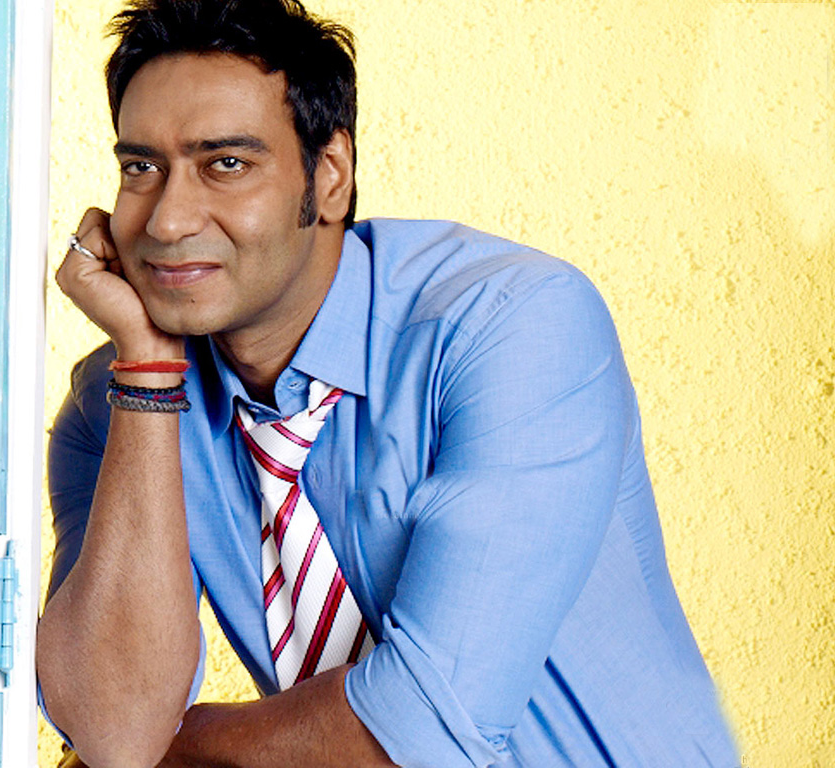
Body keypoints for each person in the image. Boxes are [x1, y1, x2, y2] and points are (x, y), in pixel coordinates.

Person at [36, 1, 738, 766]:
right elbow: (114, 733)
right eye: (141, 168)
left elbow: (422, 734)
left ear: (329, 176)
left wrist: (185, 746)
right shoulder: (119, 404)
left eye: (226, 164)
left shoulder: (512, 326)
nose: (168, 221)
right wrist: (146, 369)